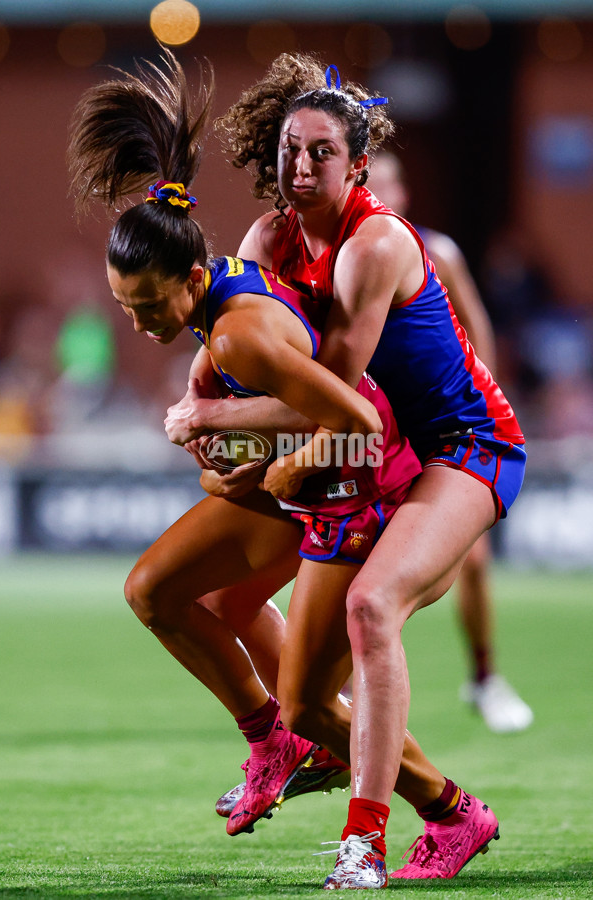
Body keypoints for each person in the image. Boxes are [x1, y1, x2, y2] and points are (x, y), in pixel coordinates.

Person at [66, 52, 495, 886]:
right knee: (162, 592)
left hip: (374, 466)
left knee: (341, 655)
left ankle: (424, 817)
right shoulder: (257, 249)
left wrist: (220, 424)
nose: (140, 321)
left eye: (148, 304)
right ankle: (278, 743)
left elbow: (350, 409)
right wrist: (218, 431)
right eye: (125, 306)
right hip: (327, 458)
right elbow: (278, 383)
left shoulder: (358, 254)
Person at [190, 52, 525, 887]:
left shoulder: (375, 242)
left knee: (373, 608)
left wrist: (217, 423)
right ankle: (449, 812)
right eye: (289, 151)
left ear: (359, 164)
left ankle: (363, 843)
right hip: (373, 451)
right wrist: (210, 408)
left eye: (321, 152)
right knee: (303, 701)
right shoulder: (268, 237)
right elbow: (254, 364)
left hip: (463, 445)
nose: (300, 166)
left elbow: (332, 395)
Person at [366, 149, 533, 734]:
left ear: (404, 194)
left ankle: (485, 676)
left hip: (446, 432)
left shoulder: (434, 251)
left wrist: (478, 402)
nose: (376, 196)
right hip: (381, 435)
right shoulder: (346, 257)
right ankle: (345, 693)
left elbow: (476, 324)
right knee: (360, 562)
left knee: (473, 561)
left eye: (385, 186)